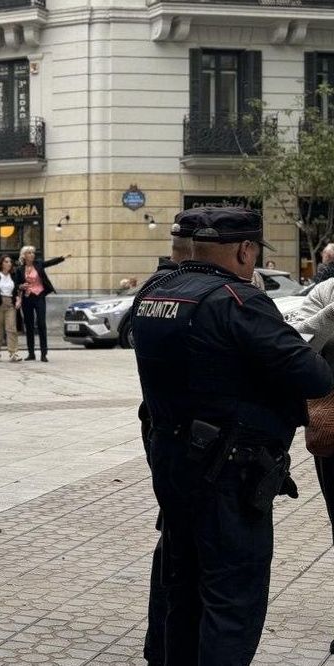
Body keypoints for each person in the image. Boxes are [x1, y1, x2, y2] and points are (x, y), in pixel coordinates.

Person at [132, 206, 332, 665]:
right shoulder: (236, 300)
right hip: (229, 473)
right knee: (232, 600)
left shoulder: (156, 292)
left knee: (181, 589)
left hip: (171, 463)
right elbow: (314, 375)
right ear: (245, 250)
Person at [133, 208, 198, 666]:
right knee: (184, 552)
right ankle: (167, 648)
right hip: (191, 441)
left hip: (160, 430)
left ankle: (160, 646)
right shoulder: (205, 294)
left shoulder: (153, 291)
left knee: (172, 543)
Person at [15, 246, 71, 362]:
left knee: (41, 323)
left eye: (33, 252)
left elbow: (50, 262)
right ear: (24, 256)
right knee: (29, 325)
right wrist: (21, 286)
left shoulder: (39, 264)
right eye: (29, 253)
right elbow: (16, 284)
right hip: (27, 298)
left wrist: (62, 258)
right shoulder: (20, 269)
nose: (32, 255)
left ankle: (43, 353)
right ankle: (31, 353)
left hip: (39, 296)